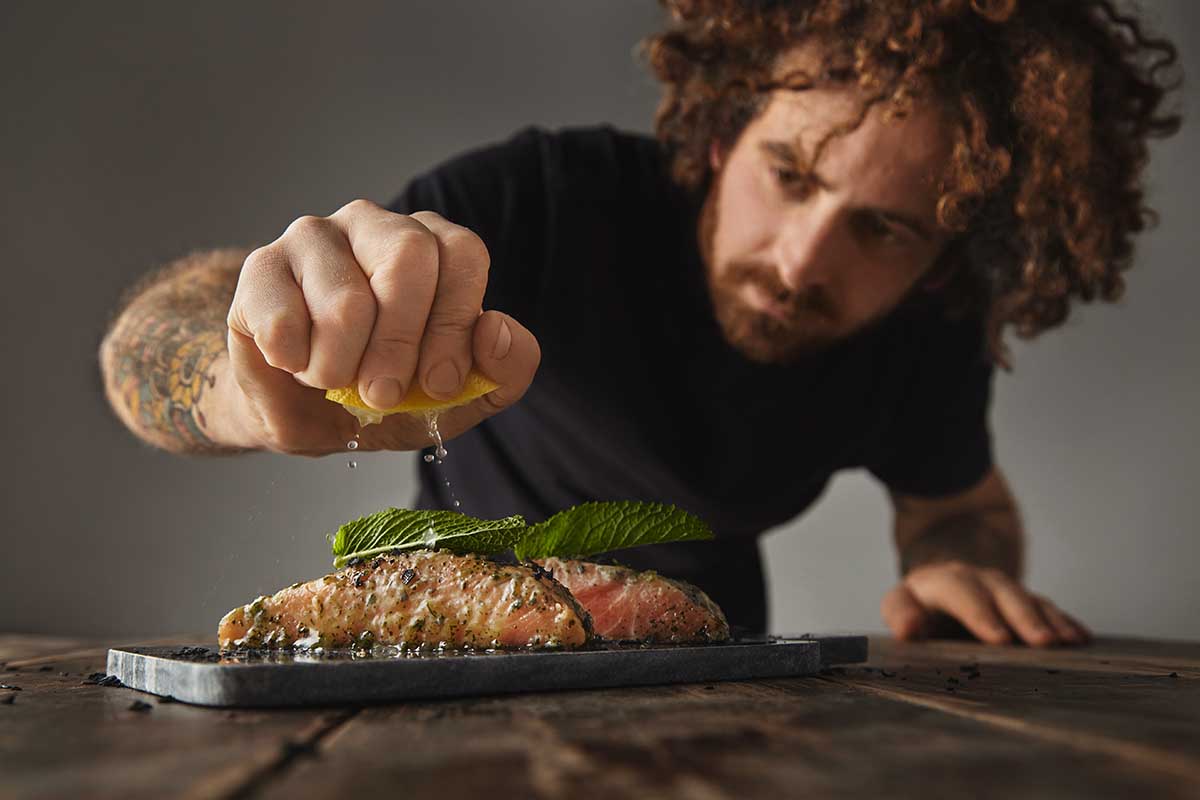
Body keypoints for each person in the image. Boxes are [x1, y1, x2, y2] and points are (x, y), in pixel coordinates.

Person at [98, 0, 1180, 644]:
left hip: (721, 683)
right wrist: (244, 380)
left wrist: (956, 570)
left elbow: (962, 511)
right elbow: (148, 343)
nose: (802, 261)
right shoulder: (548, 200)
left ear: (949, 249)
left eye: (885, 229)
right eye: (790, 174)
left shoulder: (926, 329)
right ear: (722, 131)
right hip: (454, 645)